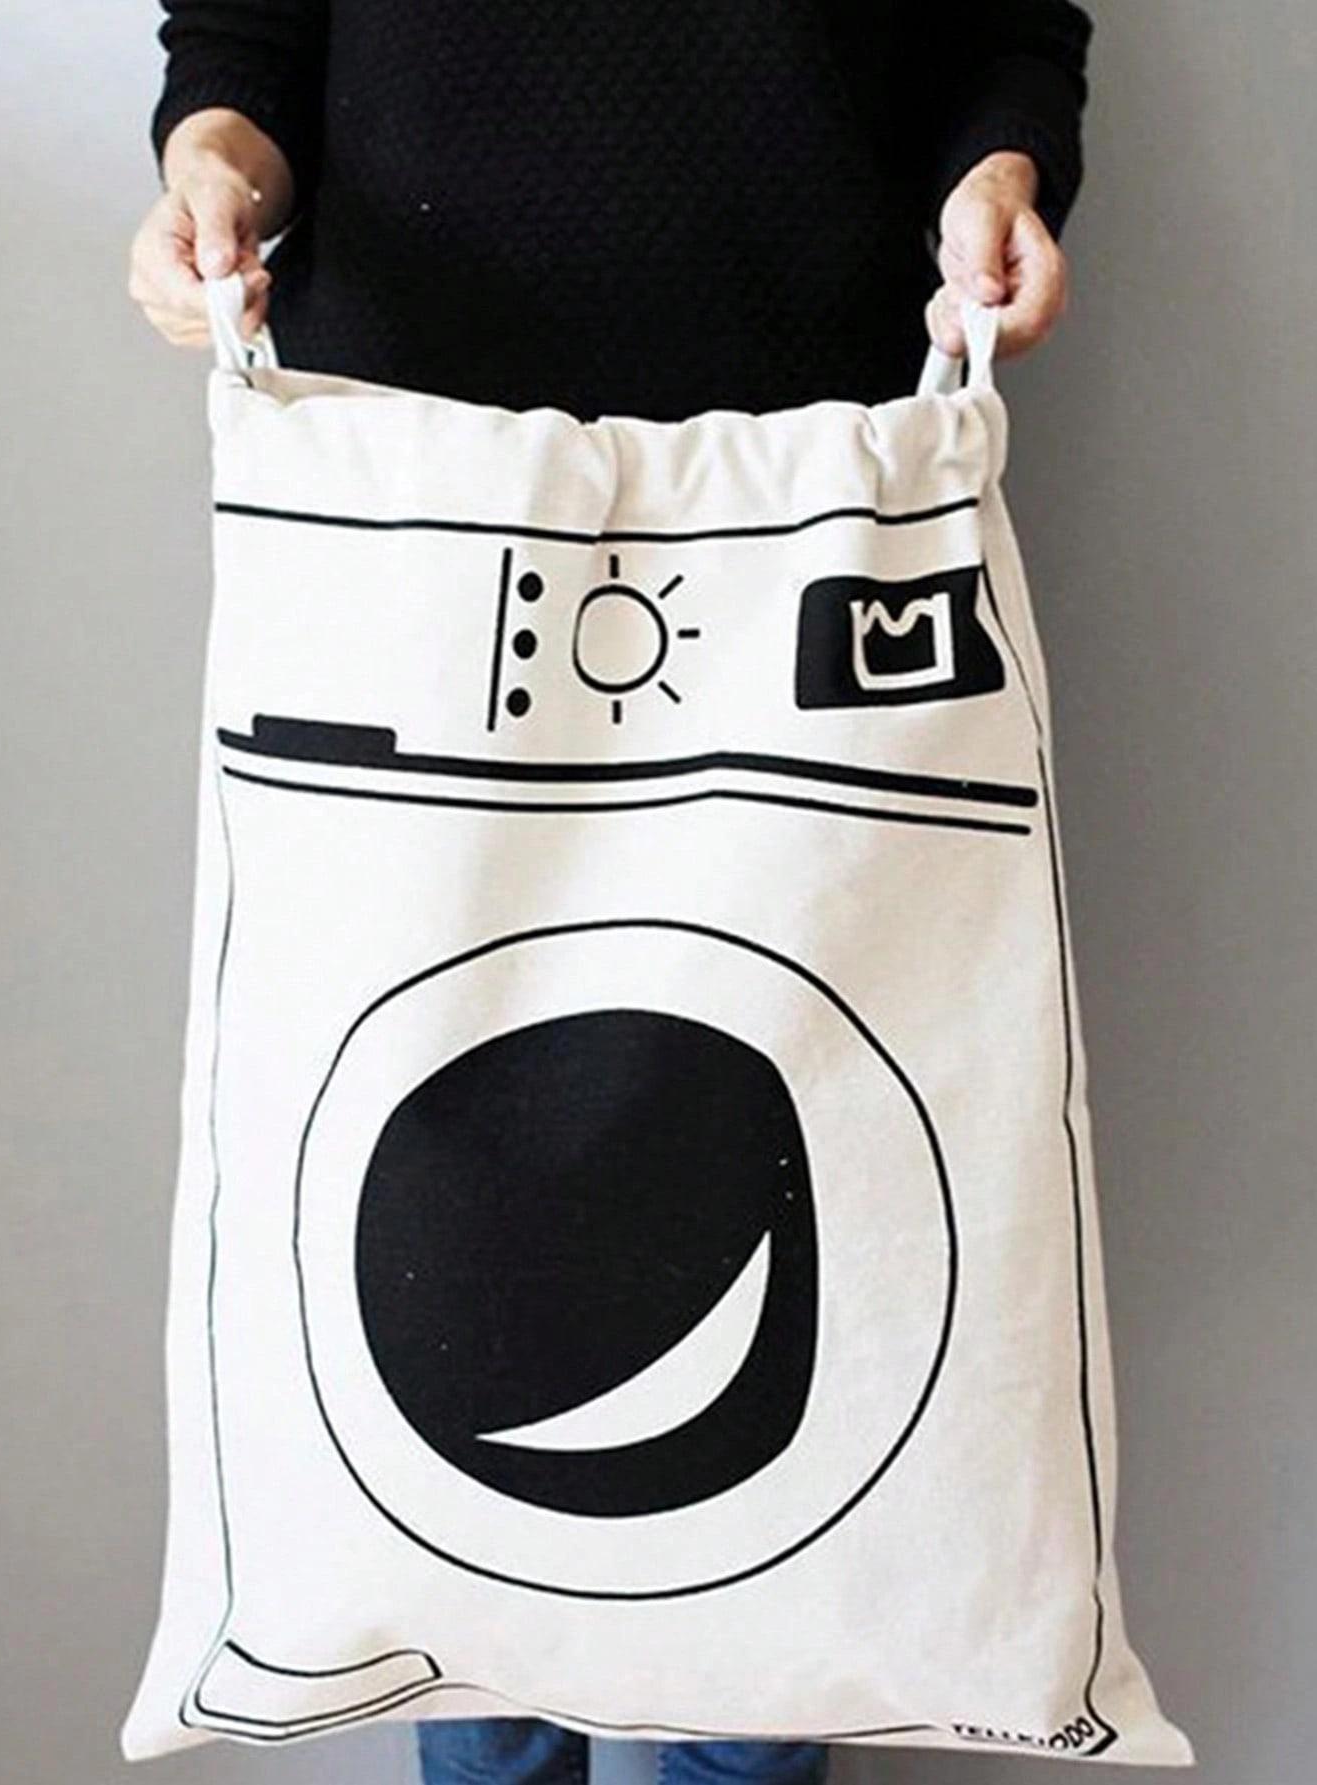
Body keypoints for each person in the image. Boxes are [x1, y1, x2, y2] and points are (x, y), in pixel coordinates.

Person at [127, 3, 1093, 1779]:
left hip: (814, 489)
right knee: (443, 1267)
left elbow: (1002, 28)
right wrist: (214, 177)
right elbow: (245, 36)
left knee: (797, 1187)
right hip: (413, 494)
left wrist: (1002, 175)